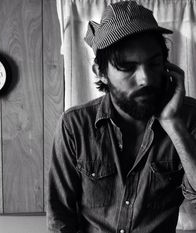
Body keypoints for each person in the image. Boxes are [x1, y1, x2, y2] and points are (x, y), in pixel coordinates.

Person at [47, 1, 196, 232]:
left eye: (154, 63)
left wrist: (174, 125)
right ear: (101, 73)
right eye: (127, 67)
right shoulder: (75, 125)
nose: (145, 79)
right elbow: (60, 217)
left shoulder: (188, 118)